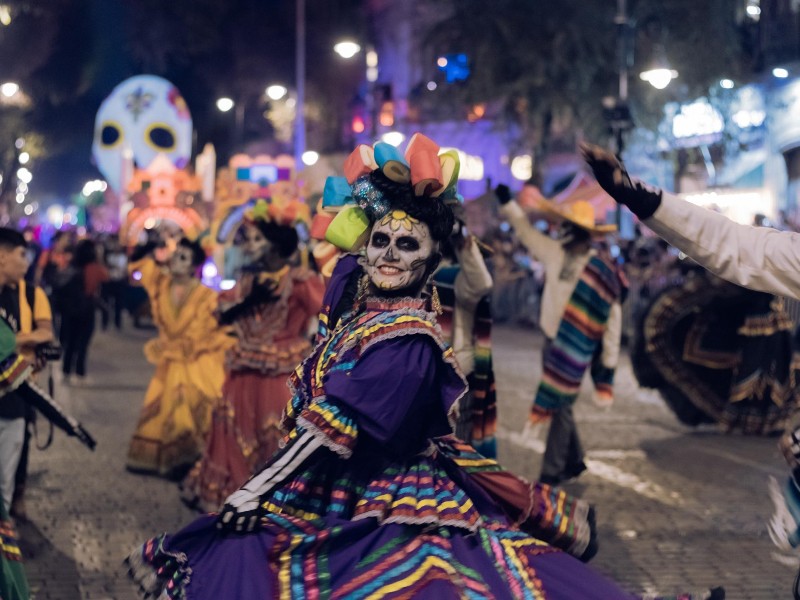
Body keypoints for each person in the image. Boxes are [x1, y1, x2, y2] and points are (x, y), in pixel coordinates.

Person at [125, 135, 712, 600]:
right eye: (379, 240)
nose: (387, 254)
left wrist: (254, 489)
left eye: (407, 246)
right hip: (331, 488)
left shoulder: (409, 337)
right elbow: (344, 275)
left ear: (433, 255)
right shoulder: (359, 298)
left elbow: (334, 424)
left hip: (390, 497)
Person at [180, 199, 324, 511]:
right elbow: (221, 315)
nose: (251, 245)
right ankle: (235, 496)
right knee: (233, 432)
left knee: (275, 434)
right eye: (250, 239)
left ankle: (272, 498)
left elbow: (326, 313)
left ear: (275, 248)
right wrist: (247, 303)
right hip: (242, 372)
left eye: (259, 239)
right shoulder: (245, 280)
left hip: (281, 374)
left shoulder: (299, 280)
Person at [495, 184, 625, 486]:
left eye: (568, 228)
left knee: (560, 403)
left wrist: (609, 358)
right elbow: (526, 233)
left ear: (582, 234)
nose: (561, 232)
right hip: (551, 340)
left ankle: (552, 471)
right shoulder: (554, 253)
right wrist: (508, 204)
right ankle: (574, 459)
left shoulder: (599, 270)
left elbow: (613, 315)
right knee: (560, 399)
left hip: (579, 345)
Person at [125, 238, 234, 479]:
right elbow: (138, 266)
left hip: (196, 362)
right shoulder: (161, 284)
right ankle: (172, 460)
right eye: (175, 256)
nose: (176, 261)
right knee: (165, 411)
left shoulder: (206, 295)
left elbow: (212, 326)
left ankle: (190, 460)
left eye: (183, 258)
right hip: (169, 361)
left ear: (194, 265)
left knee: (189, 410)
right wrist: (148, 244)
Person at [0, 227, 54, 518]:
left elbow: (46, 334)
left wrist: (13, 341)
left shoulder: (31, 294)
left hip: (18, 390)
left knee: (13, 461)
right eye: (22, 254)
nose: (27, 261)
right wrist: (18, 340)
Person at [432, 219, 497, 457]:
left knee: (458, 452)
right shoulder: (431, 277)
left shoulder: (460, 282)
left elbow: (483, 283)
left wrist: (463, 241)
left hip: (459, 372)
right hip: (433, 371)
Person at [54, 239, 108, 385]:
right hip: (86, 310)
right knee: (83, 343)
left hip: (70, 311)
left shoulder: (70, 266)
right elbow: (105, 277)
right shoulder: (94, 268)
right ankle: (79, 372)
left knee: (70, 341)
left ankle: (66, 371)